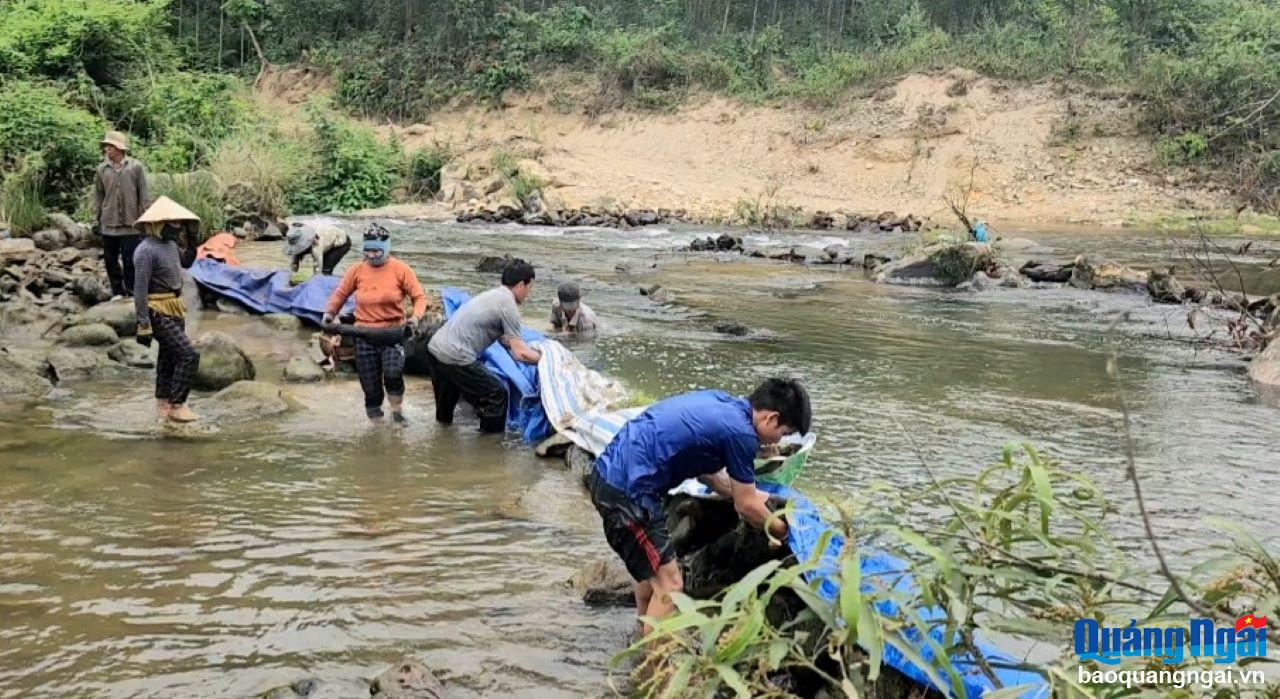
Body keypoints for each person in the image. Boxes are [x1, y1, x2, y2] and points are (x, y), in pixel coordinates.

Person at [586, 378, 811, 632]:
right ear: (771, 418)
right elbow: (745, 506)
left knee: (652, 571)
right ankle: (650, 665)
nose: (777, 443)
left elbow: (712, 477)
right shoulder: (742, 434)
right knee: (671, 586)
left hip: (608, 473)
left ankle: (641, 635)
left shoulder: (723, 404)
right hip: (628, 495)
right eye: (783, 434)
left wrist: (754, 493)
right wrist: (783, 531)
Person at [323, 223, 429, 423]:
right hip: (364, 334)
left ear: (386, 248)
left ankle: (397, 412)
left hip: (393, 333)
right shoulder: (357, 270)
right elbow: (340, 295)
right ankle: (377, 425)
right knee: (370, 387)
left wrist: (415, 318)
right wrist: (329, 313)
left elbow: (419, 298)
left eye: (376, 251)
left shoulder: (401, 269)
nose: (371, 255)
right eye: (368, 251)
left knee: (392, 374)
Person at [426, 259, 542, 433]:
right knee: (496, 396)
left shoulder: (493, 295)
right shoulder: (508, 306)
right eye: (529, 287)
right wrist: (546, 359)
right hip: (456, 356)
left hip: (435, 349)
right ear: (520, 285)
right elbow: (521, 354)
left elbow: (505, 339)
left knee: (445, 411)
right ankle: (490, 449)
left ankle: (441, 441)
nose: (528, 293)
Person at [131, 196, 202, 423]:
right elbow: (139, 289)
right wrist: (143, 323)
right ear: (158, 223)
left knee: (169, 357)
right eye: (174, 223)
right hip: (156, 310)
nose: (178, 227)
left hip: (174, 306)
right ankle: (177, 405)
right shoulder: (145, 251)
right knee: (188, 355)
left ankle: (163, 401)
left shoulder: (170, 245)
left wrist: (192, 238)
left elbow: (187, 262)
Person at [93, 130, 150, 299]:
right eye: (106, 147)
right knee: (110, 261)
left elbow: (144, 195)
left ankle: (132, 292)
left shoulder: (135, 167)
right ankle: (117, 291)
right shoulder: (102, 170)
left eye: (109, 146)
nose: (106, 150)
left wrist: (147, 219)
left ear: (119, 148)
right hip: (108, 223)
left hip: (131, 223)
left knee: (130, 260)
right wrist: (95, 218)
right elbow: (98, 196)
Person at [284, 222, 352, 276]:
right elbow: (293, 265)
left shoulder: (315, 248)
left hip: (341, 241)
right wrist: (290, 278)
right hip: (327, 239)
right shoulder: (295, 246)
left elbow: (317, 274)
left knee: (325, 270)